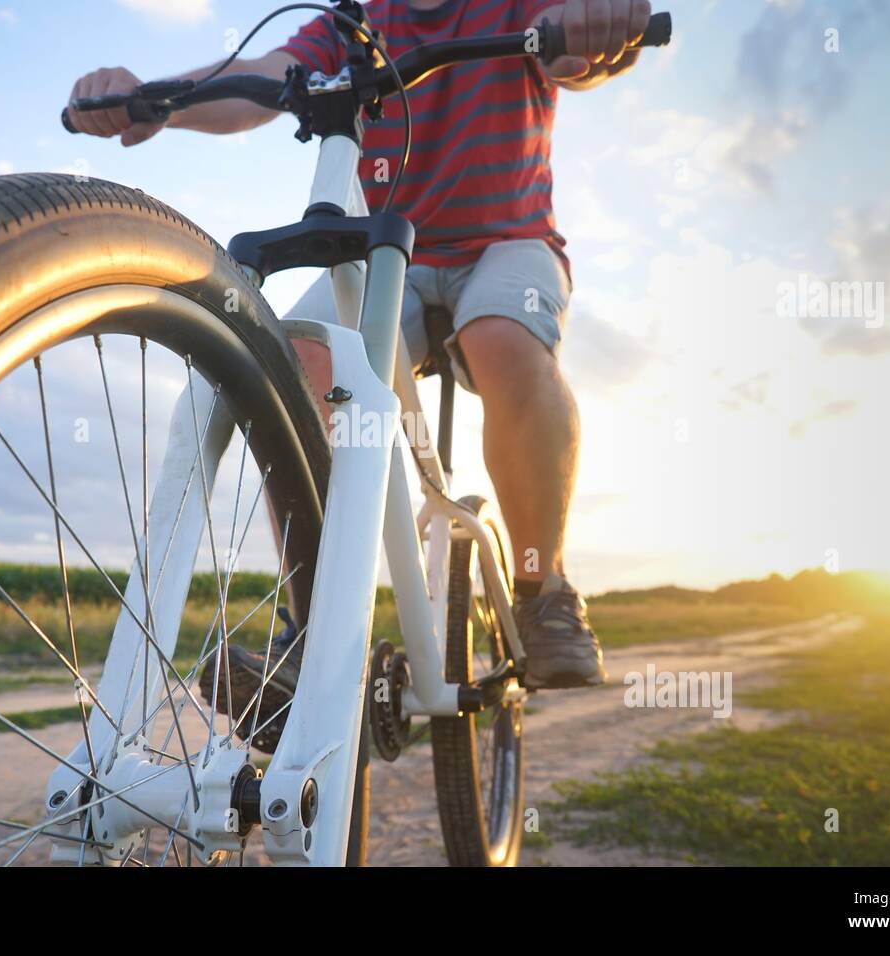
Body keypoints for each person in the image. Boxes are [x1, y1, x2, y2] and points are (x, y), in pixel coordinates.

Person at [67, 0, 651, 745]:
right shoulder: (355, 21)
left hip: (507, 242)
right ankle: (312, 627)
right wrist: (157, 100)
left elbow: (572, 49)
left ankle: (544, 590)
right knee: (299, 354)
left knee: (502, 337)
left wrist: (603, 27)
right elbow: (259, 76)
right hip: (392, 252)